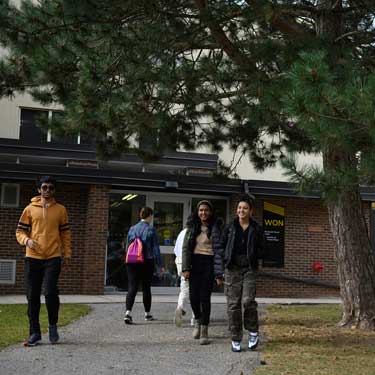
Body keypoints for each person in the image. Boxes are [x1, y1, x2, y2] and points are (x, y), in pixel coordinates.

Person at [16, 176, 71, 347]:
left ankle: (53, 325)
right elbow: (19, 232)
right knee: (32, 296)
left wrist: (67, 253)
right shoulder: (29, 209)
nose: (47, 190)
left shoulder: (61, 210)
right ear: (39, 189)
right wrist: (27, 241)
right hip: (32, 258)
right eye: (44, 187)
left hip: (53, 257)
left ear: (54, 191)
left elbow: (65, 234)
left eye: (51, 188)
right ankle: (35, 333)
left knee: (50, 293)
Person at [215, 195, 265, 353]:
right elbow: (220, 247)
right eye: (239, 208)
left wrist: (254, 255)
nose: (241, 210)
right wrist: (221, 266)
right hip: (232, 269)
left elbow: (264, 249)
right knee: (233, 304)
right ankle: (236, 336)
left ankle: (253, 331)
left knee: (248, 301)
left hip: (249, 268)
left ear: (251, 211)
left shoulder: (256, 228)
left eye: (244, 208)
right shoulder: (230, 228)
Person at [182, 200, 222, 345]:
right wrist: (185, 269)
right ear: (197, 212)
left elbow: (218, 251)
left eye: (206, 210)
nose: (203, 213)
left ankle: (204, 330)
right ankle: (198, 321)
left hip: (209, 263)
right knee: (193, 297)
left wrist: (219, 273)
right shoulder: (192, 227)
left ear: (210, 212)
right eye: (200, 210)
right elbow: (186, 249)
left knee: (205, 298)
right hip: (194, 263)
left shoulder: (216, 228)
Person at [124, 206, 164, 324]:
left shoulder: (132, 228)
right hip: (146, 261)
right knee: (146, 288)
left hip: (132, 261)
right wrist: (160, 265)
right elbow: (155, 249)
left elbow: (127, 246)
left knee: (132, 287)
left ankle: (128, 313)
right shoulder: (151, 230)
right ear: (150, 216)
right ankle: (147, 314)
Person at [173, 226, 195, 327]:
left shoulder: (181, 233)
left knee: (184, 289)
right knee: (197, 291)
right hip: (191, 263)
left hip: (181, 263)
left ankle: (180, 307)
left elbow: (176, 251)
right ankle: (195, 318)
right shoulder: (195, 232)